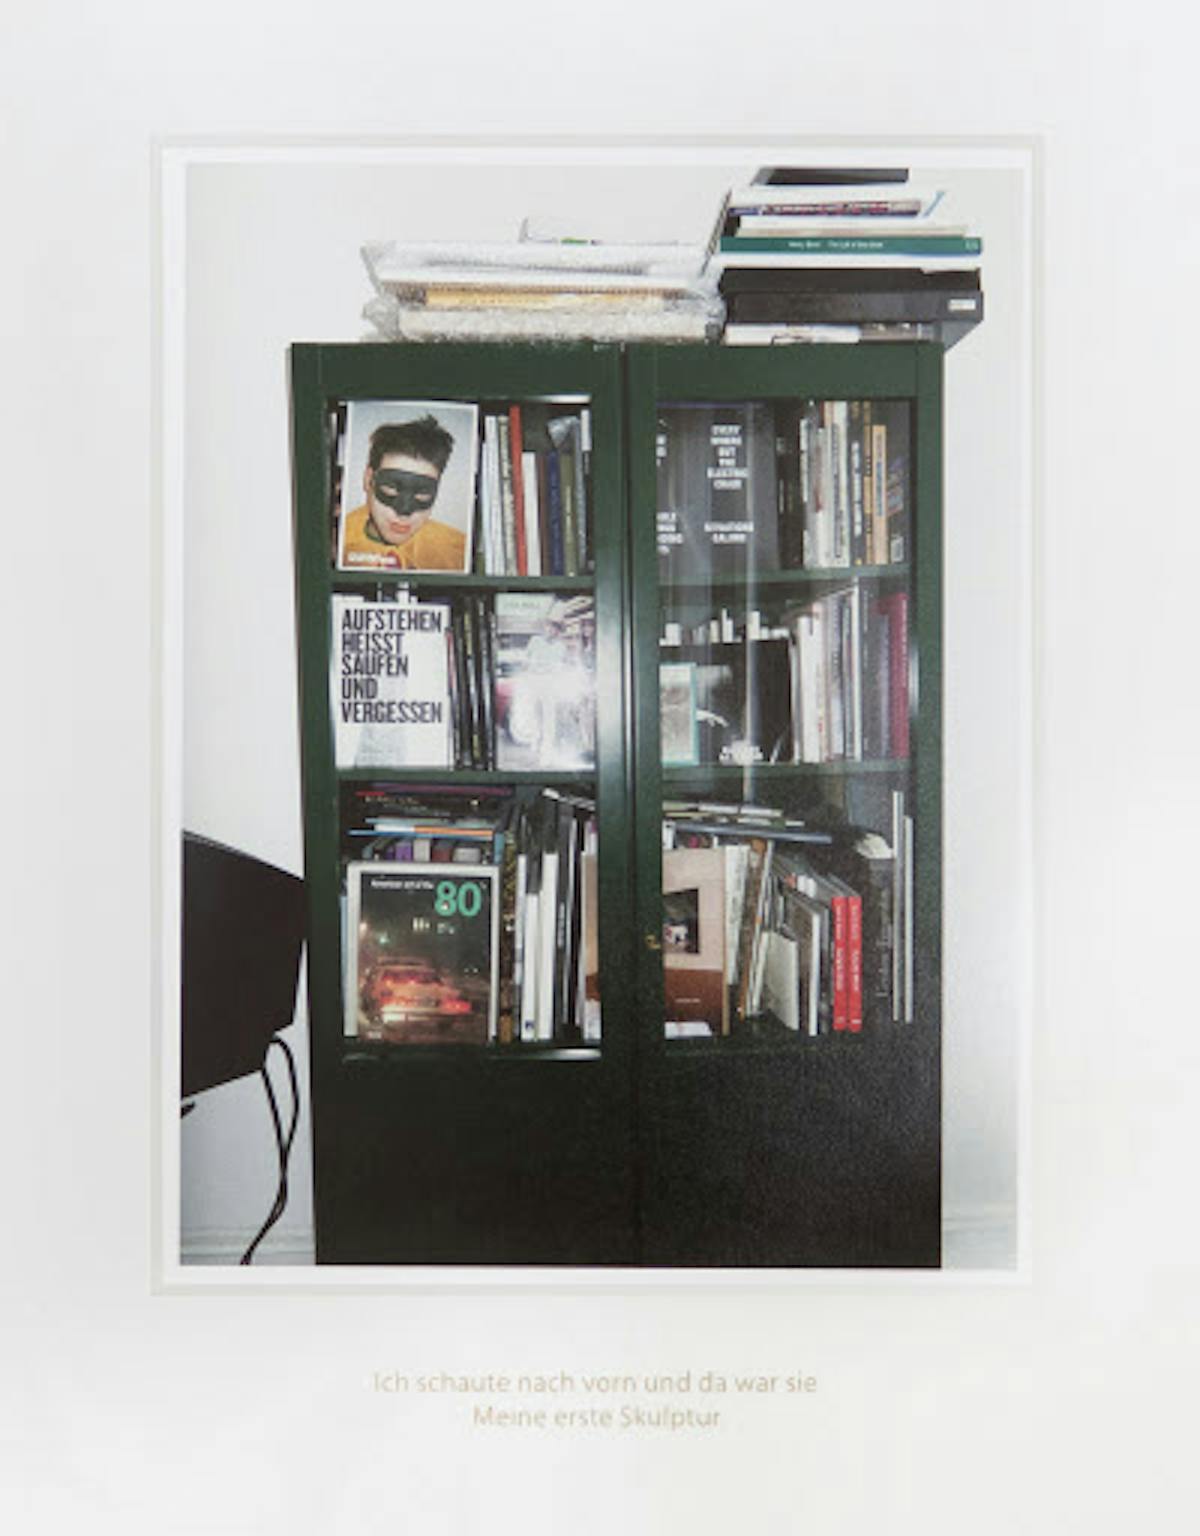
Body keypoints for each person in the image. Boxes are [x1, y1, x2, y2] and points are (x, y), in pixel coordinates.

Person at [340, 414, 467, 571]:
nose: (403, 512)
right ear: (368, 480)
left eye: (422, 494)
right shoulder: (337, 542)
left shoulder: (458, 551)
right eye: (390, 489)